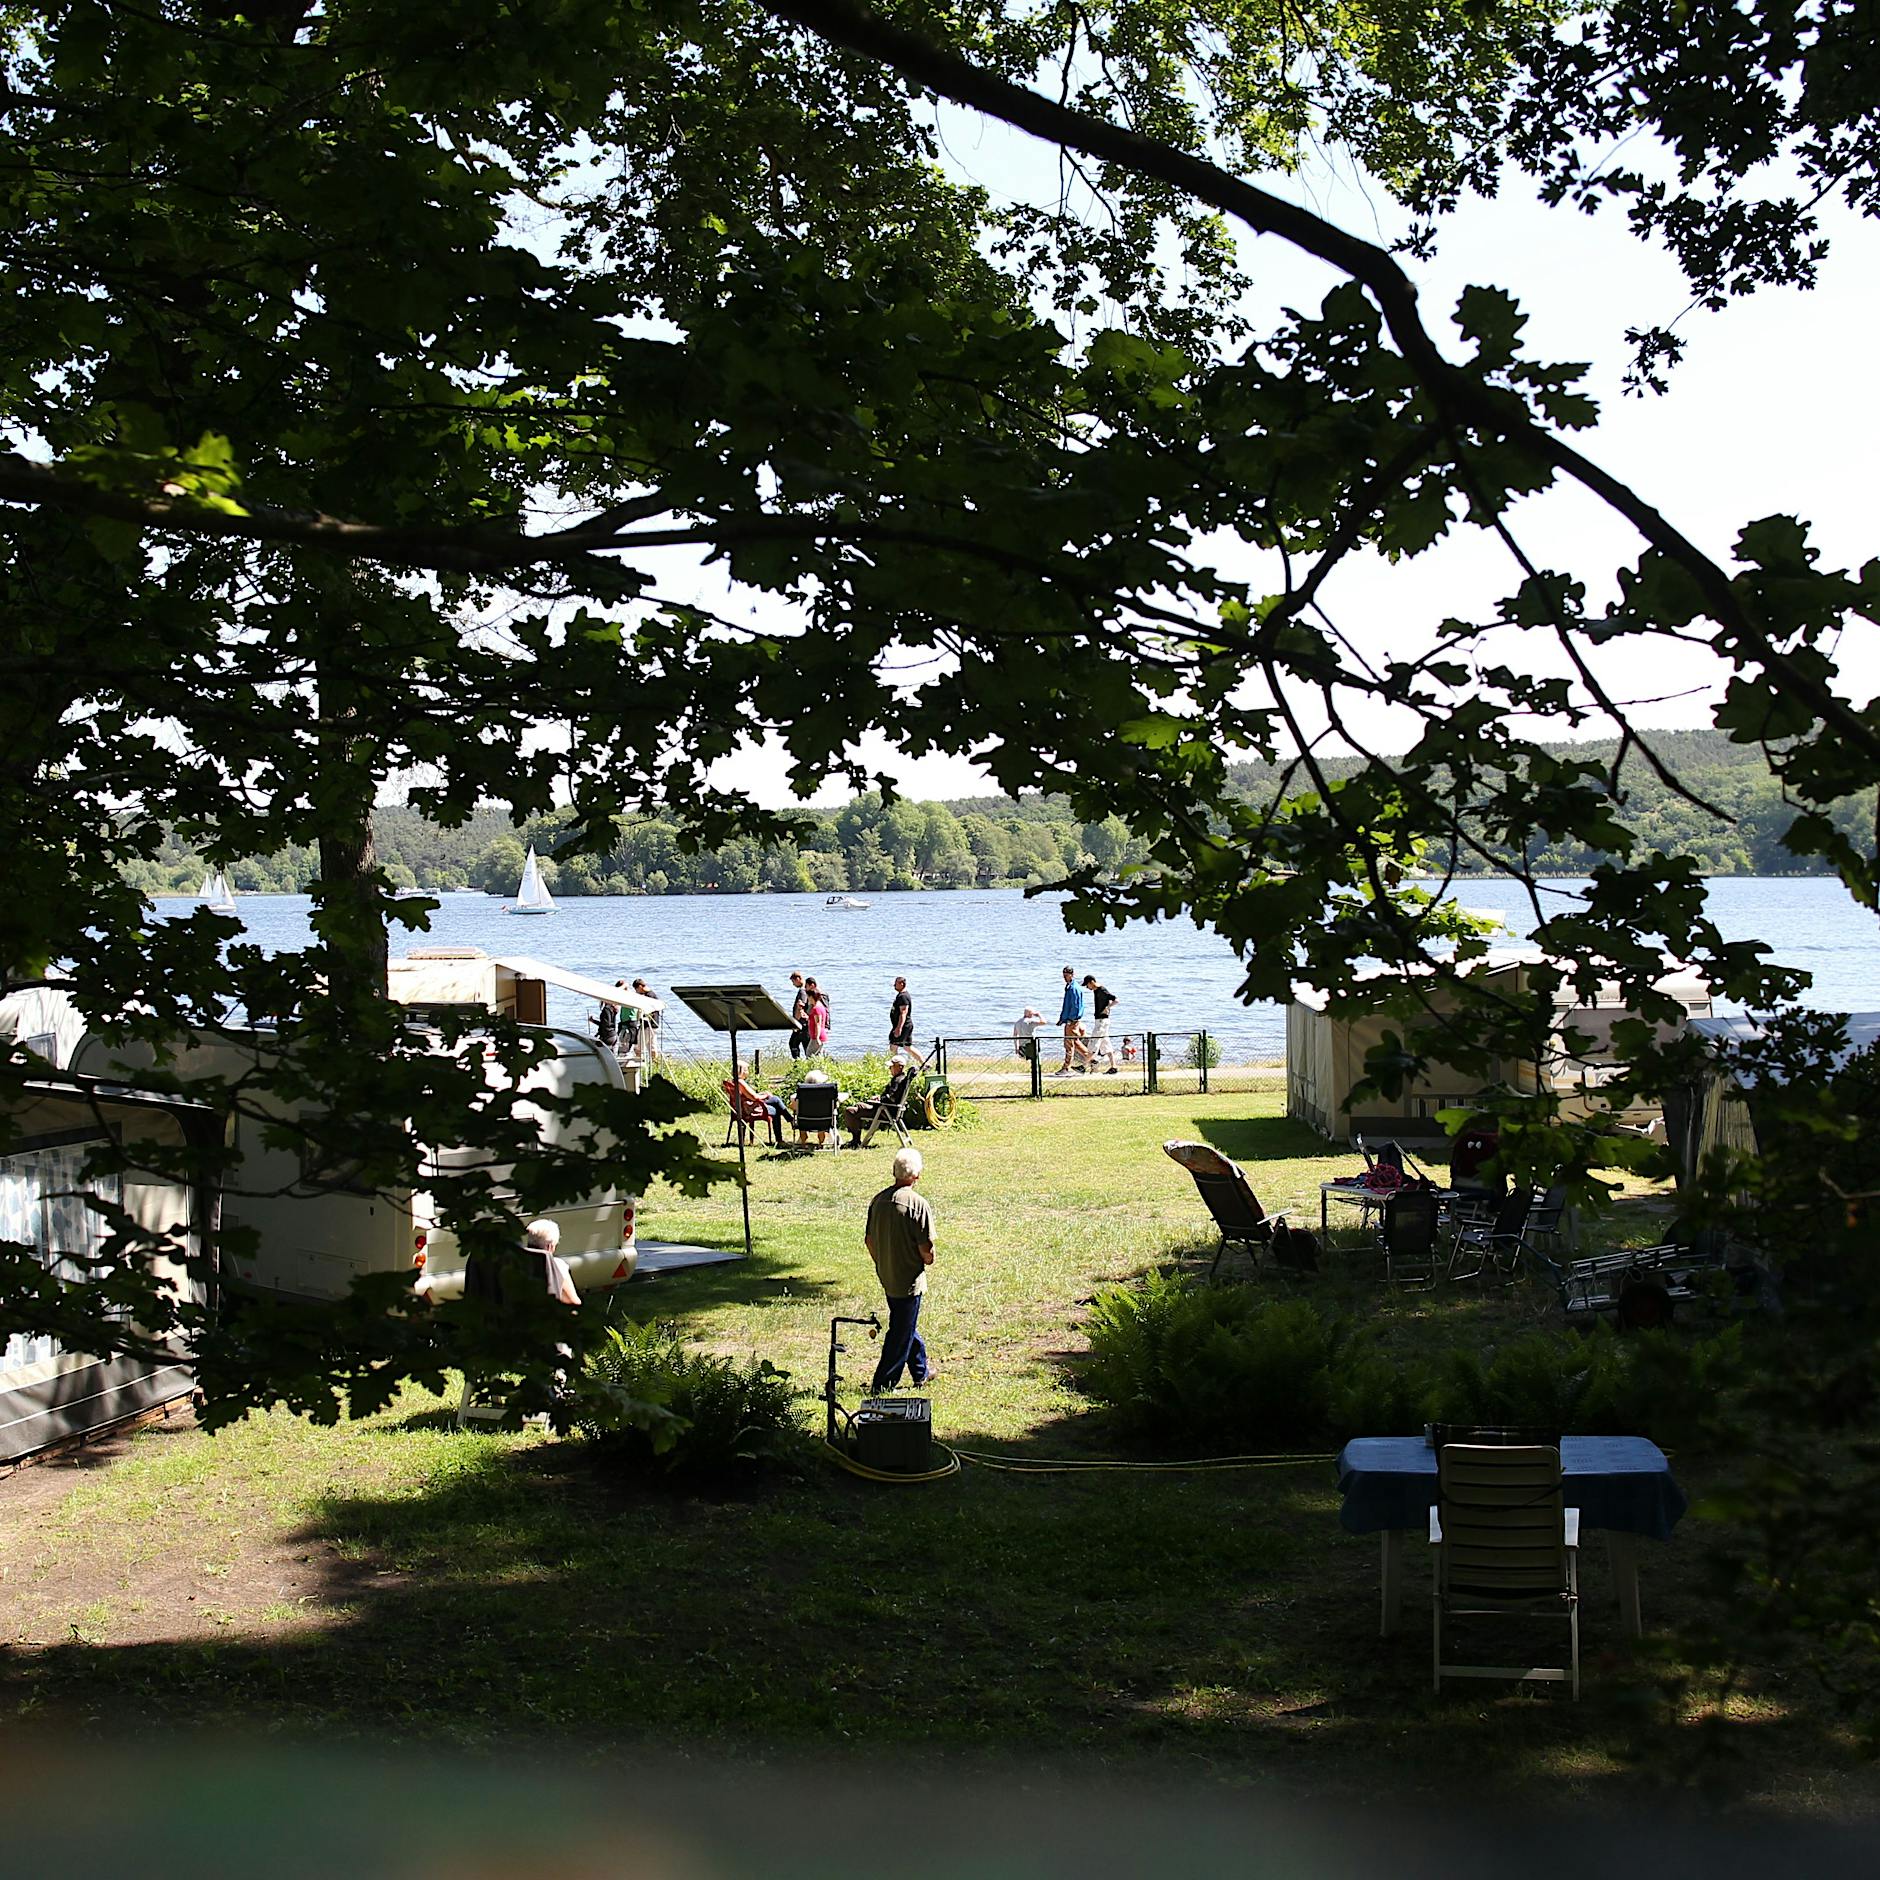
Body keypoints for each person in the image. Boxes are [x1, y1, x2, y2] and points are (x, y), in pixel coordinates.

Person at [865, 1145, 935, 1391]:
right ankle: (884, 1383)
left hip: (887, 1275)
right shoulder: (918, 1205)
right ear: (916, 1175)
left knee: (905, 1323)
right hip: (909, 1279)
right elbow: (926, 1248)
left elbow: (869, 1240)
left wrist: (881, 1261)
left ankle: (921, 1371)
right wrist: (928, 1259)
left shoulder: (879, 1200)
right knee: (900, 1332)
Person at [1054, 965, 1087, 1075]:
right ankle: (1092, 1060)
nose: (1064, 978)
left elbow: (1076, 1006)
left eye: (1066, 975)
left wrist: (1070, 1020)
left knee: (1068, 1044)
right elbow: (1067, 1005)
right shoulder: (1069, 987)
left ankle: (1066, 1068)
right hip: (1069, 1019)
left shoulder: (1074, 988)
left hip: (1072, 1020)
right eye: (1063, 975)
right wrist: (1062, 1019)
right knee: (1075, 1042)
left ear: (1072, 975)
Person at [1082, 974, 1119, 1073]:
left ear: (1092, 982)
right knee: (1106, 1044)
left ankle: (1083, 1066)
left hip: (1101, 1021)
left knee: (1094, 1042)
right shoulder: (1096, 991)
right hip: (1101, 1020)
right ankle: (1114, 1066)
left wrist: (1108, 1007)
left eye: (1087, 985)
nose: (1087, 987)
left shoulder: (1101, 990)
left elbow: (1116, 999)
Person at [631, 978, 661, 1060]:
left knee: (638, 1047)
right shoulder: (652, 995)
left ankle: (638, 1064)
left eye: (636, 989)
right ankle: (655, 1064)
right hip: (654, 1025)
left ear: (640, 987)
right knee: (652, 1047)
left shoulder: (648, 997)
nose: (636, 992)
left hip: (647, 1025)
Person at [788, 970, 811, 1060]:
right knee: (806, 1047)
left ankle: (797, 1064)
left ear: (798, 979)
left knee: (793, 1043)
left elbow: (800, 1006)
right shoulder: (806, 990)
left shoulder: (802, 991)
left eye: (793, 982)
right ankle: (806, 1065)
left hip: (801, 1024)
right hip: (805, 1024)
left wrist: (796, 1023)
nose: (793, 984)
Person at [804, 976, 832, 1054]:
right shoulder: (817, 1007)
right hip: (818, 1036)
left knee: (809, 1054)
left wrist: (816, 1038)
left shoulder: (816, 1008)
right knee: (818, 1056)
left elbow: (818, 1023)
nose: (808, 999)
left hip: (817, 1036)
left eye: (808, 997)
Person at [887, 975, 913, 1052]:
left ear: (901, 984)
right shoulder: (901, 995)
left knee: (893, 1045)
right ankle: (925, 1063)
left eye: (896, 983)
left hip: (903, 1026)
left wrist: (899, 1028)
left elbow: (903, 1013)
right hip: (903, 1025)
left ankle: (894, 1063)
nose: (894, 985)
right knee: (907, 1047)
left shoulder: (903, 996)